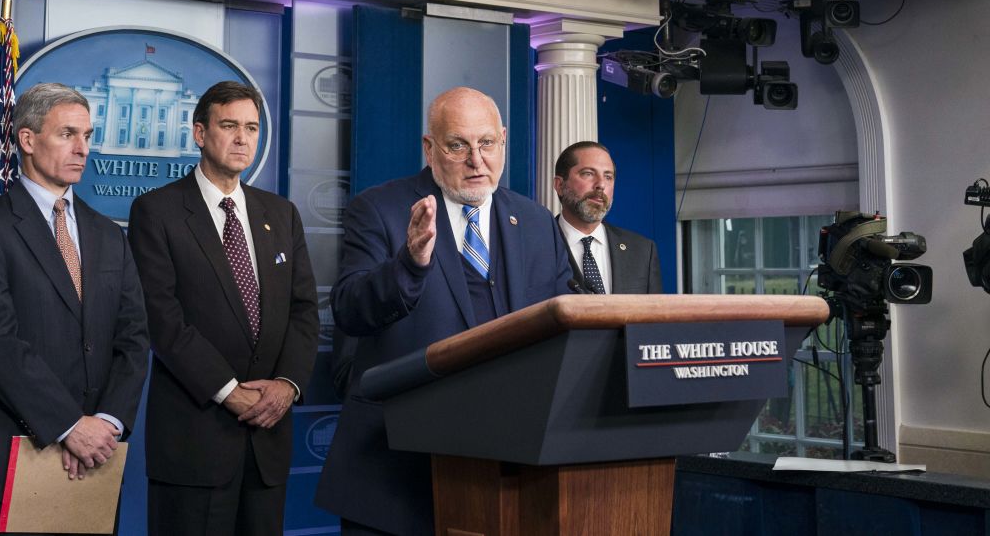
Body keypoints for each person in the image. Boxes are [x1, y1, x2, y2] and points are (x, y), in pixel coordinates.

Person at [315, 87, 574, 535]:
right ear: (429, 148)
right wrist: (409, 264)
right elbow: (349, 310)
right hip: (395, 474)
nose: (477, 160)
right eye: (458, 145)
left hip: (506, 472)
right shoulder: (381, 210)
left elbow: (560, 330)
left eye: (487, 143)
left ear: (504, 141)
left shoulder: (534, 221)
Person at [0, 83, 149, 535]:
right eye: (67, 134)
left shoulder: (108, 235)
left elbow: (133, 339)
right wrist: (68, 425)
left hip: (96, 460)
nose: (82, 149)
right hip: (10, 461)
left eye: (88, 136)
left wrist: (107, 424)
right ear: (28, 140)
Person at [129, 80, 318, 536]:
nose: (242, 138)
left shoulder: (282, 213)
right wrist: (228, 390)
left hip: (267, 442)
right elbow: (162, 318)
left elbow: (303, 311)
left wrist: (286, 386)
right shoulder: (157, 211)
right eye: (229, 125)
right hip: (195, 441)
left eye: (251, 128)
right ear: (199, 133)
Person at [554, 141, 661, 295]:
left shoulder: (643, 251)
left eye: (608, 176)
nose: (601, 185)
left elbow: (655, 315)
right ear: (559, 185)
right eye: (588, 174)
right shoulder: (536, 247)